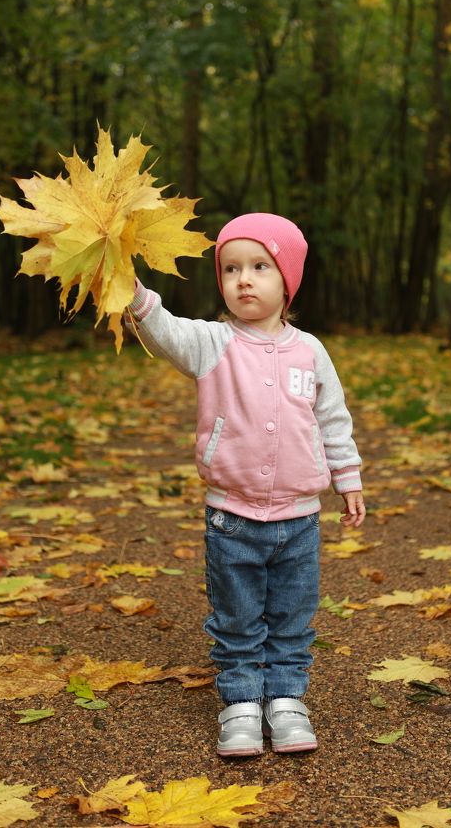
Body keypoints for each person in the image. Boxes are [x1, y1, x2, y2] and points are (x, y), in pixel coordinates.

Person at [125, 212, 364, 757]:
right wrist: (135, 295)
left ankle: (285, 699)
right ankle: (238, 700)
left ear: (288, 279)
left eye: (260, 266)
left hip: (300, 517)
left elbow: (333, 419)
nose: (243, 279)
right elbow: (165, 332)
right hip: (231, 516)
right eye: (231, 269)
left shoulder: (311, 351)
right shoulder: (213, 344)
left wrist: (346, 477)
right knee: (235, 617)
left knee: (292, 617)